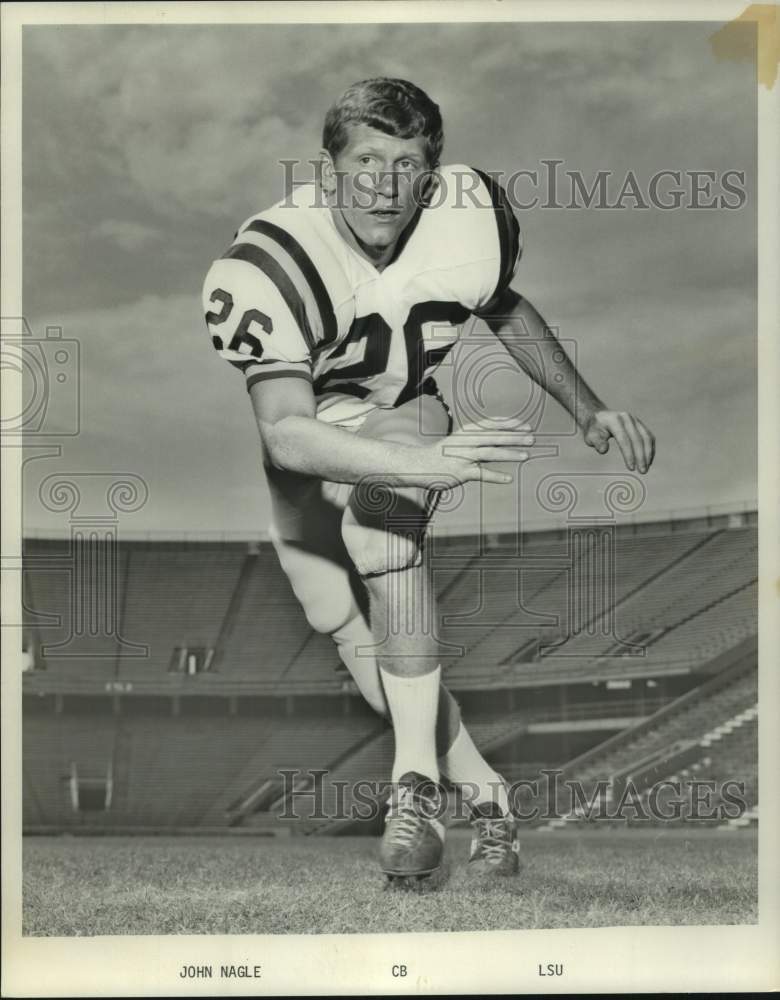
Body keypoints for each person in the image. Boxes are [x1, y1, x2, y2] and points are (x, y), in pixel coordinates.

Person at [202, 78, 655, 887]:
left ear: (431, 176)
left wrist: (586, 408)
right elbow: (285, 429)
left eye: (406, 163)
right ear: (327, 168)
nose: (384, 183)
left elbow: (504, 308)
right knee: (337, 619)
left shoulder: (466, 220)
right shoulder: (270, 261)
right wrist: (423, 467)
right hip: (312, 438)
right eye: (366, 160)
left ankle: (411, 791)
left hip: (404, 410)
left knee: (380, 530)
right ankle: (486, 792)